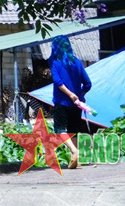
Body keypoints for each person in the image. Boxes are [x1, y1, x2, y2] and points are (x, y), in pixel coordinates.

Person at [49, 36, 92, 168]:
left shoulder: (55, 62)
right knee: (73, 130)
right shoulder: (77, 62)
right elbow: (88, 84)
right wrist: (78, 95)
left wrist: (69, 94)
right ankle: (76, 158)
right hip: (77, 104)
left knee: (59, 129)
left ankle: (75, 151)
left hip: (61, 102)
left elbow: (58, 82)